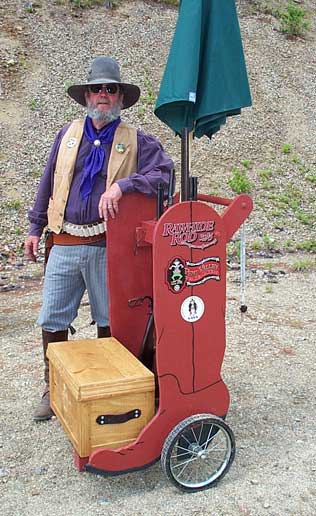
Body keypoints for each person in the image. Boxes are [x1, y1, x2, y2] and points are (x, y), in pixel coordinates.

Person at [24, 56, 173, 422]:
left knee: (113, 319)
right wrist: (33, 227)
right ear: (86, 95)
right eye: (97, 88)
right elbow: (48, 183)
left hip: (110, 246)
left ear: (120, 97)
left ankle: (113, 385)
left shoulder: (137, 141)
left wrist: (125, 185)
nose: (103, 94)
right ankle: (53, 385)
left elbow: (165, 175)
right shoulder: (67, 135)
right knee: (53, 316)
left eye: (111, 89)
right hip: (65, 241)